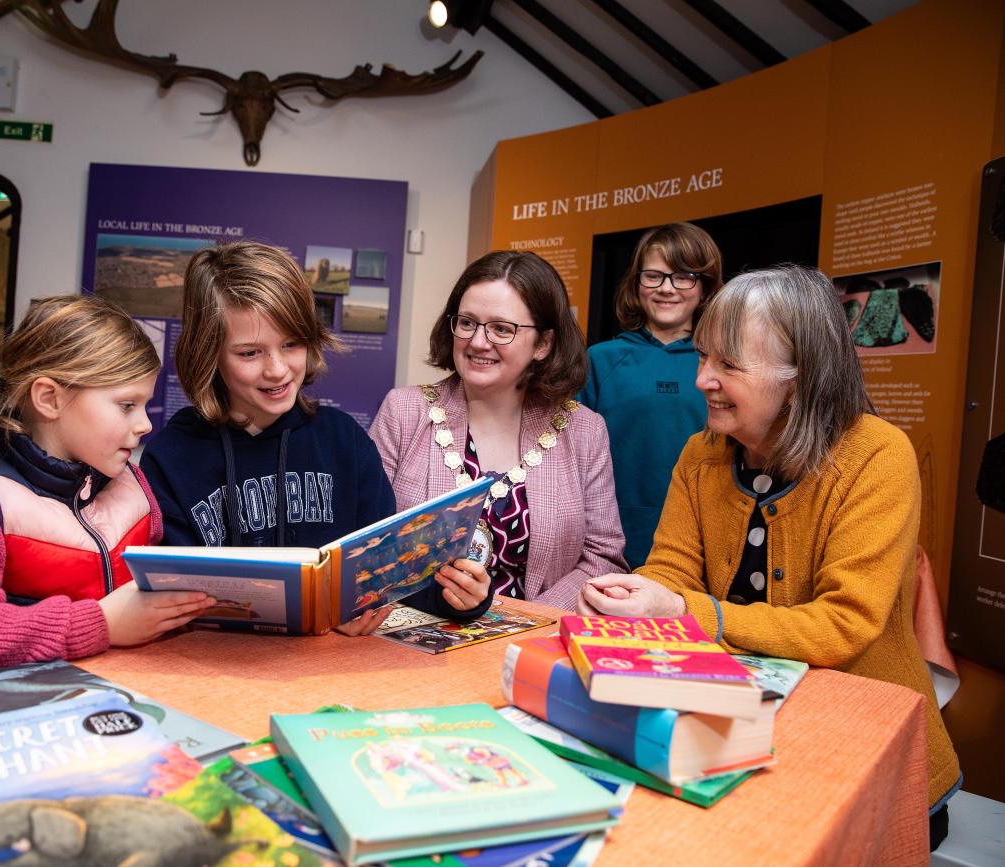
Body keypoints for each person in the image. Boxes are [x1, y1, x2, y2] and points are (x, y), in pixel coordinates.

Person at [577, 265, 960, 849]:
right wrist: (640, 596)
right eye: (704, 358)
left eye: (728, 365)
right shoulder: (700, 454)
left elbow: (844, 625)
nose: (702, 379)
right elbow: (671, 570)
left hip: (864, 752)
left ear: (801, 377)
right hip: (736, 735)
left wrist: (686, 611)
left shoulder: (878, 456)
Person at [140, 241, 492, 634]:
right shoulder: (170, 458)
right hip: (222, 672)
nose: (277, 370)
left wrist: (458, 594)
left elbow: (394, 576)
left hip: (331, 671)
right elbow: (169, 604)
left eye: (291, 344)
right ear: (210, 355)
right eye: (250, 353)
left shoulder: (344, 441)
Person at [0, 295, 216, 679]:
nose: (145, 424)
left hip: (127, 694)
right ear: (50, 398)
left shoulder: (133, 483)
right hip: (27, 711)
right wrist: (100, 624)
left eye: (145, 405)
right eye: (127, 405)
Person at [369, 251, 627, 608]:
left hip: (536, 644)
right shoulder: (404, 412)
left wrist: (525, 622)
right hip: (412, 640)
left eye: (501, 329)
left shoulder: (584, 430)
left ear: (543, 344)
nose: (477, 341)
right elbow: (365, 546)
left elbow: (602, 558)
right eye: (467, 322)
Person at [579, 222, 723, 568]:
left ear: (704, 287)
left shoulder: (723, 364)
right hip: (613, 538)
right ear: (637, 283)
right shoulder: (600, 360)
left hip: (705, 536)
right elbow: (574, 459)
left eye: (683, 276)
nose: (667, 289)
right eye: (654, 276)